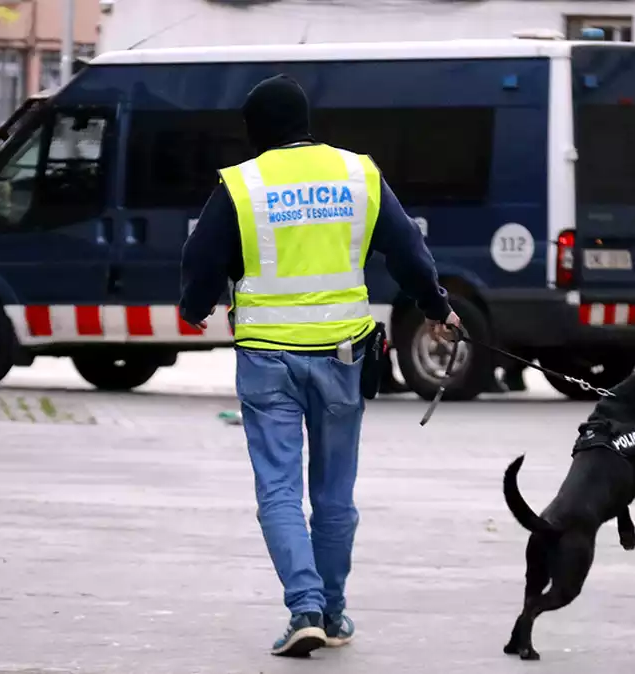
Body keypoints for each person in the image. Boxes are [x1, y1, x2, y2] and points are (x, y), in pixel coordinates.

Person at [179, 74, 461, 657]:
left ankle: (304, 606)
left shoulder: (242, 184)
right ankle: (332, 613)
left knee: (279, 489)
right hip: (342, 357)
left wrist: (195, 305)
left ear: (257, 130)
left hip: (268, 362)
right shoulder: (360, 174)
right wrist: (436, 308)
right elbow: (408, 249)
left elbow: (201, 254)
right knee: (334, 495)